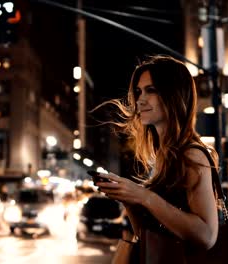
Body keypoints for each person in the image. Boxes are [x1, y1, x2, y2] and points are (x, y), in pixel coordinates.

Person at [93, 55, 219, 263]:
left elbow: (206, 236)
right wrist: (129, 201)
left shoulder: (191, 154)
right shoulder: (163, 156)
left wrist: (144, 196)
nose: (140, 100)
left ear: (174, 96)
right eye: (138, 92)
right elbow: (149, 236)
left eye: (151, 90)